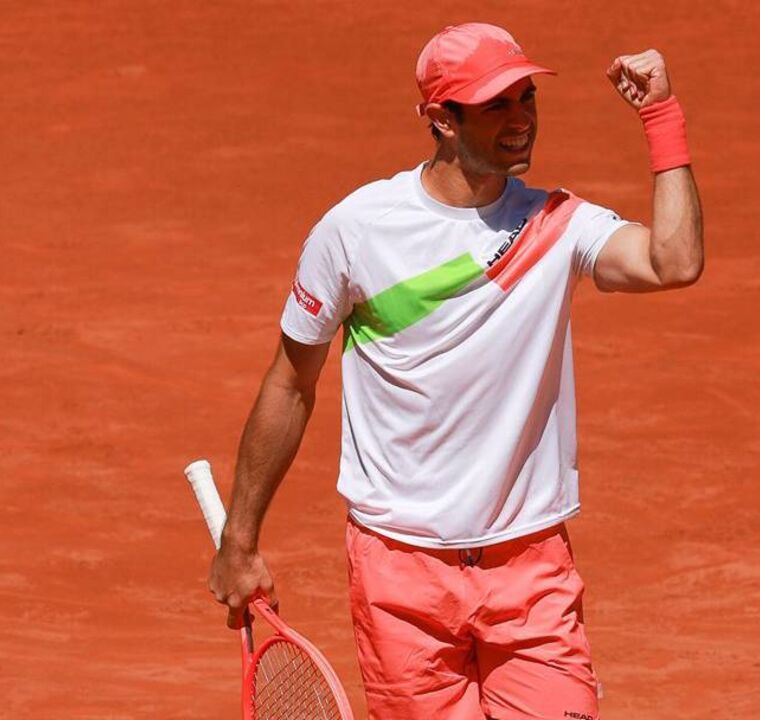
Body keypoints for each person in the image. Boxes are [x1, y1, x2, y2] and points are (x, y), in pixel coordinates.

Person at [209, 22, 703, 720]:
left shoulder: (557, 224)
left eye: (526, 98)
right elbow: (291, 382)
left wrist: (661, 116)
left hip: (530, 570)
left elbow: (672, 263)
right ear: (441, 119)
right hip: (399, 575)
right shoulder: (355, 231)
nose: (520, 118)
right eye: (496, 104)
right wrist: (240, 541)